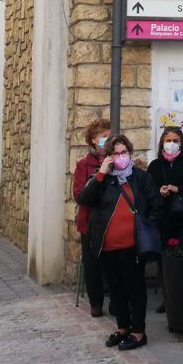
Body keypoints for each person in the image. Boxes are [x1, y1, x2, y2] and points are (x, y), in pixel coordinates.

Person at [76, 134, 161, 352]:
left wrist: (146, 226)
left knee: (135, 288)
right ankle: (123, 327)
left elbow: (155, 205)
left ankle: (138, 332)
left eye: (124, 152)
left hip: (132, 246)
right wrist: (101, 174)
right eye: (115, 153)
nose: (120, 157)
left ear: (130, 153)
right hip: (107, 246)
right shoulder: (103, 179)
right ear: (108, 157)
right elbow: (84, 200)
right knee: (116, 289)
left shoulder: (141, 178)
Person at [147, 125, 183, 314]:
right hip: (163, 219)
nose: (171, 144)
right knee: (165, 261)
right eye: (168, 140)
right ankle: (169, 298)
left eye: (175, 141)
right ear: (162, 143)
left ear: (181, 143)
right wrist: (159, 192)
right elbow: (147, 191)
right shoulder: (155, 165)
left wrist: (177, 189)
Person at [72, 118, 111, 316]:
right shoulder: (83, 165)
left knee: (113, 262)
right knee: (92, 263)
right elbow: (78, 195)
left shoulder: (115, 160)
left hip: (111, 221)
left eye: (109, 136)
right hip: (90, 221)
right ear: (94, 140)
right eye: (104, 137)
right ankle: (96, 302)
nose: (107, 140)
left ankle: (116, 301)